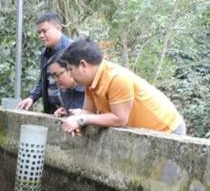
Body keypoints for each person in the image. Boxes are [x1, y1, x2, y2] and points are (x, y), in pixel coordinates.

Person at [58, 38, 186, 136]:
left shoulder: (117, 78)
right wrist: (75, 120)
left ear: (83, 65)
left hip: (168, 130)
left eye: (70, 69)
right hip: (143, 133)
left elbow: (120, 119)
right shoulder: (90, 83)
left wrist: (81, 119)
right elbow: (88, 112)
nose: (69, 74)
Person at [16, 12, 83, 114]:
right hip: (52, 110)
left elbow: (82, 84)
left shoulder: (73, 50)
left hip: (72, 110)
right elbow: (43, 80)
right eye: (39, 32)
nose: (41, 36)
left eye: (44, 31)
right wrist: (32, 97)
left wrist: (72, 108)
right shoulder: (45, 54)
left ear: (58, 28)